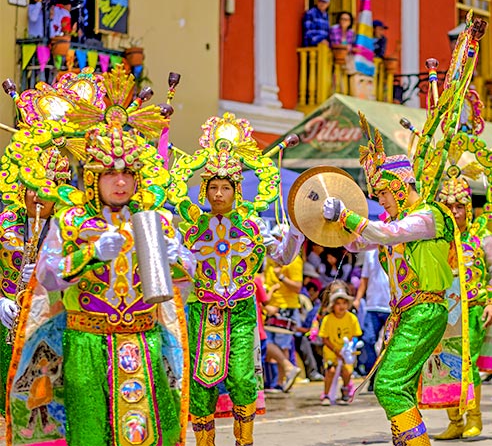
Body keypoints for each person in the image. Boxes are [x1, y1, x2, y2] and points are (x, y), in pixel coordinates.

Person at [35, 119, 197, 445]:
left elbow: (187, 281)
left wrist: (174, 258)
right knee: (88, 430)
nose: (120, 182)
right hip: (85, 340)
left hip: (140, 338)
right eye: (110, 173)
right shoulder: (71, 221)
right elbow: (47, 277)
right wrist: (90, 254)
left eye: (127, 174)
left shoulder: (156, 221)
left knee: (140, 428)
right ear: (94, 178)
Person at [170, 113, 304, 446]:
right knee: (202, 382)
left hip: (243, 310)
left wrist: (296, 233)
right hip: (203, 310)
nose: (218, 194)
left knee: (243, 378)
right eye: (212, 187)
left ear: (236, 189)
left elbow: (282, 257)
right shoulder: (191, 227)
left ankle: (245, 442)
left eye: (225, 187)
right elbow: (176, 265)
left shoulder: (254, 226)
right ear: (204, 189)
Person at [322, 147, 453, 443]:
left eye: (384, 192)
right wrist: (324, 224)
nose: (380, 200)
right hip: (407, 313)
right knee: (402, 386)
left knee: (388, 384)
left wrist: (346, 215)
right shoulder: (398, 222)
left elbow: (386, 234)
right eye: (377, 193)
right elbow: (359, 243)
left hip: (425, 311)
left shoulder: (428, 216)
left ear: (401, 186)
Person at [433, 173, 492, 440]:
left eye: (459, 206)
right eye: (449, 206)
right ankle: (455, 420)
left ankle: (474, 417)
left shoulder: (481, 236)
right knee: (445, 365)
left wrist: (491, 302)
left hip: (473, 309)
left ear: (468, 207)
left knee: (467, 363)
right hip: (444, 312)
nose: (454, 211)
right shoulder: (438, 238)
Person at [0, 147, 71, 418]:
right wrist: (0, 302)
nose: (37, 196)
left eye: (46, 188)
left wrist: (49, 278)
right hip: (6, 326)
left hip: (50, 328)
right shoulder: (4, 224)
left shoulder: (67, 231)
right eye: (32, 187)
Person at [264, 225, 305, 392]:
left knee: (281, 345)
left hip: (286, 306)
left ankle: (282, 381)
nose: (275, 241)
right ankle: (282, 380)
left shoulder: (293, 259)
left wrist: (281, 276)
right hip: (272, 305)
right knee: (270, 343)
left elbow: (297, 286)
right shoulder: (271, 258)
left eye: (278, 238)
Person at [353, 248, 391, 391]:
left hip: (391, 306)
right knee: (367, 340)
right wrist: (358, 299)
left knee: (390, 344)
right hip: (372, 305)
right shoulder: (370, 253)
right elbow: (365, 278)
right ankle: (373, 374)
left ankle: (386, 379)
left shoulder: (397, 247)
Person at [319, 285, 362, 405]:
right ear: (333, 305)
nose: (341, 306)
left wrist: (347, 348)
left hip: (346, 352)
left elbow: (355, 335)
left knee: (347, 371)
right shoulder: (328, 319)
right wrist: (336, 350)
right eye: (338, 303)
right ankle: (326, 394)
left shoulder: (352, 318)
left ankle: (345, 390)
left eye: (344, 303)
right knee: (331, 371)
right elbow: (324, 338)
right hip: (331, 351)